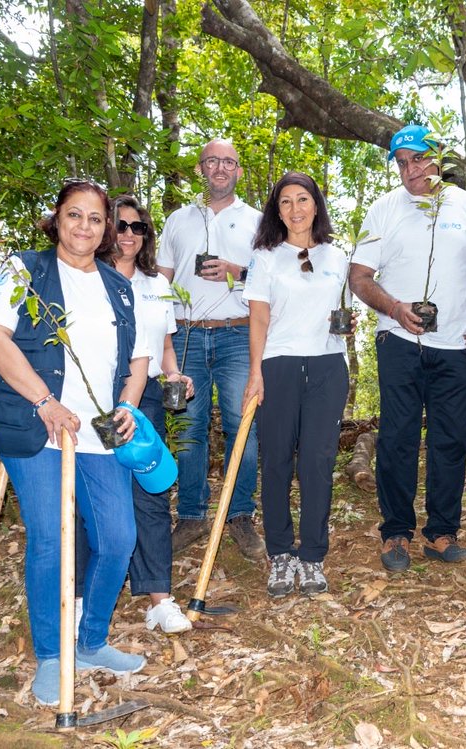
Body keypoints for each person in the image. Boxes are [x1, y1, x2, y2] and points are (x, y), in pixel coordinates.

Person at [0, 180, 149, 707]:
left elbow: (138, 358)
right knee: (53, 539)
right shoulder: (23, 271)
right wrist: (43, 402)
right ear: (56, 218)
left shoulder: (118, 285)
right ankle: (53, 655)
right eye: (74, 215)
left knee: (118, 539)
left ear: (106, 231)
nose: (84, 226)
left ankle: (91, 640)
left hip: (98, 432)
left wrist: (128, 403)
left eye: (95, 219)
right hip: (36, 426)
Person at [349, 124, 466, 572]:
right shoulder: (383, 210)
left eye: (419, 158)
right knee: (397, 439)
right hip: (399, 341)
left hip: (456, 346)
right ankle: (396, 533)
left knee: (450, 441)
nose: (411, 170)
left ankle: (441, 533)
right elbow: (359, 277)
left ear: (438, 158)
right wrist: (395, 308)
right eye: (402, 162)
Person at [157, 138, 266, 561]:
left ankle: (240, 515)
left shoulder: (258, 221)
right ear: (200, 169)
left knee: (243, 424)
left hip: (238, 333)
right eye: (212, 161)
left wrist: (235, 271)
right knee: (189, 426)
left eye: (229, 162)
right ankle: (191, 515)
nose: (220, 168)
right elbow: (160, 280)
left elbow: (272, 278)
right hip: (185, 334)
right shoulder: (178, 220)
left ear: (239, 170)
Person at [242, 172, 350, 597]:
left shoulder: (337, 256)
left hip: (327, 365)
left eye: (302, 199)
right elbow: (259, 319)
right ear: (277, 210)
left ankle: (312, 556)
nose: (295, 209)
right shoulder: (265, 258)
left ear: (316, 204)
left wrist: (347, 325)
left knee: (318, 462)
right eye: (285, 202)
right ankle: (281, 553)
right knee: (276, 462)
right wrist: (255, 373)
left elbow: (338, 310)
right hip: (279, 364)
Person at [93, 195, 195, 632]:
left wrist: (175, 375)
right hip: (96, 395)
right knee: (96, 494)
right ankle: (83, 596)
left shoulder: (156, 284)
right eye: (121, 225)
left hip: (147, 397)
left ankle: (159, 598)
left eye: (138, 227)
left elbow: (165, 346)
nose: (129, 234)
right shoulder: (88, 278)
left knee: (150, 494)